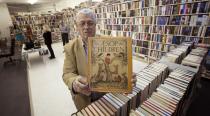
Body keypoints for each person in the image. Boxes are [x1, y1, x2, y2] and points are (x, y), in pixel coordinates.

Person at [62, 8, 137, 110]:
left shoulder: (109, 42)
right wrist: (75, 82)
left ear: (95, 25)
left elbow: (119, 67)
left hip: (108, 98)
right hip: (85, 100)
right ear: (77, 26)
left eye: (90, 23)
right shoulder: (70, 48)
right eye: (82, 23)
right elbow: (67, 74)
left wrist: (127, 79)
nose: (86, 27)